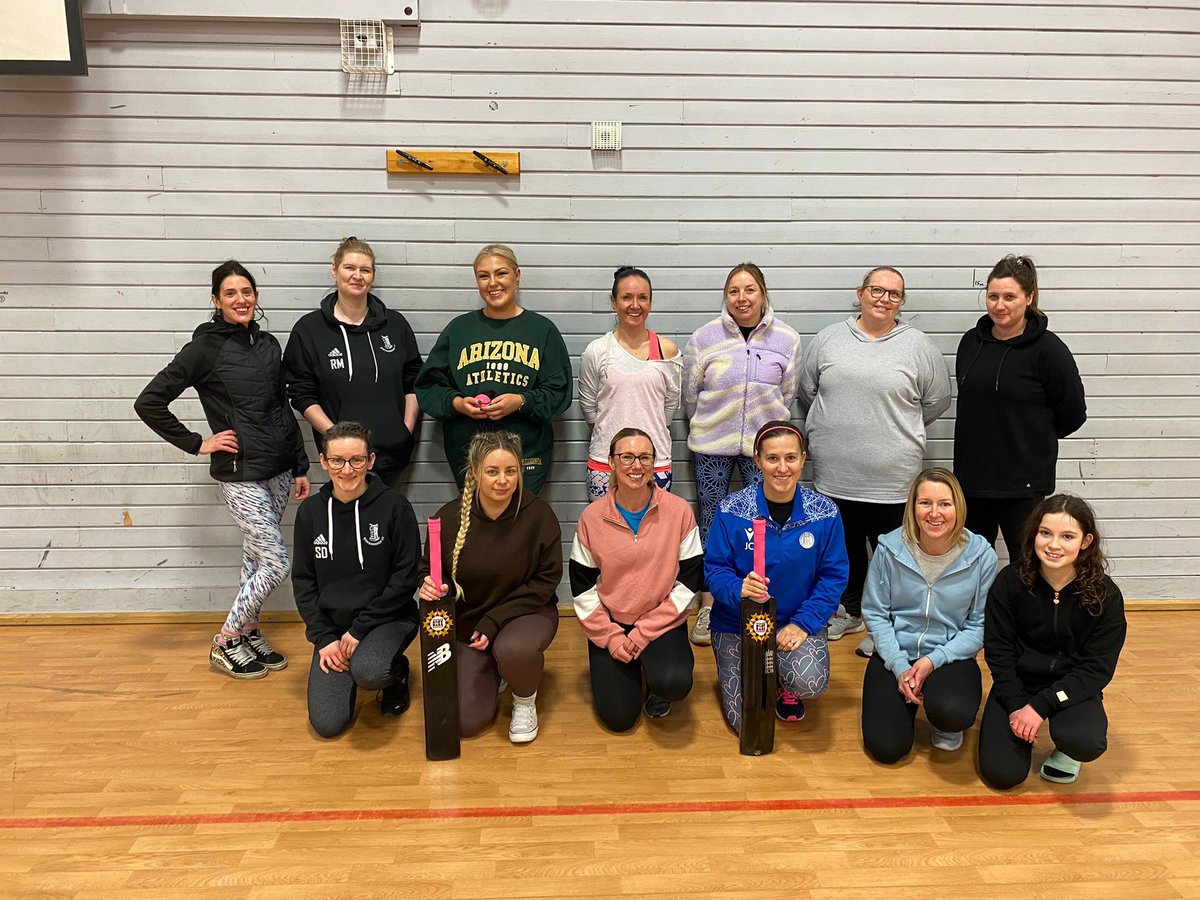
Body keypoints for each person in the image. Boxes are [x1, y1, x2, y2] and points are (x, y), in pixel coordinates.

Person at [134, 260, 310, 679]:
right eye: (230, 293)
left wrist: (300, 463)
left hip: (280, 469)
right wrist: (198, 443)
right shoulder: (204, 350)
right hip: (241, 473)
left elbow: (281, 410)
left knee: (255, 557)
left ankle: (249, 631)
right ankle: (227, 638)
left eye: (246, 291)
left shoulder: (268, 345)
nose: (241, 299)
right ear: (216, 301)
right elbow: (149, 402)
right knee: (275, 563)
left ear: (256, 297)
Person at [798, 266, 951, 652]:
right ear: (861, 293)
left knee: (894, 555)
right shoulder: (830, 339)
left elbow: (936, 400)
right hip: (835, 473)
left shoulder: (917, 345)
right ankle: (849, 612)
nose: (884, 299)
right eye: (876, 290)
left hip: (893, 477)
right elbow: (807, 391)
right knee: (843, 549)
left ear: (901, 302)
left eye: (894, 294)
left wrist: (894, 428)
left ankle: (890, 626)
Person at [682, 263, 802, 646]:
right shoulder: (704, 338)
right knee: (712, 523)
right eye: (734, 291)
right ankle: (709, 603)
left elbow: (788, 394)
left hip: (763, 452)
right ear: (725, 296)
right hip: (712, 445)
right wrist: (711, 423)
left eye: (749, 290)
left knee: (761, 527)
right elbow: (689, 395)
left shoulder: (787, 339)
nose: (742, 298)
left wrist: (764, 436)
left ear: (763, 292)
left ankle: (760, 602)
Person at [417, 431, 562, 743]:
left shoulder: (539, 516)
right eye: (492, 471)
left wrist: (495, 621)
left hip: (526, 613)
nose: (502, 481)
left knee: (513, 649)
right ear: (474, 473)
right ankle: (497, 671)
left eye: (510, 471)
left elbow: (546, 581)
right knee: (466, 723)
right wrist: (427, 585)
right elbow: (428, 569)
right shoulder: (449, 517)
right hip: (472, 628)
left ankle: (524, 697)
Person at [704, 421, 848, 730]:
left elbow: (833, 577)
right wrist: (737, 587)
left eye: (790, 458)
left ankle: (785, 682)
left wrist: (803, 624)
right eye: (772, 458)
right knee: (747, 723)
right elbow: (714, 569)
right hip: (737, 624)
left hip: (792, 624)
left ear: (803, 459)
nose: (782, 468)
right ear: (757, 460)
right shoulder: (731, 510)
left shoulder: (824, 513)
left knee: (809, 681)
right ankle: (755, 674)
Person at [979, 494, 1126, 789]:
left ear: (1086, 541)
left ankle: (1066, 747)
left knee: (1086, 741)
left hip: (1070, 686)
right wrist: (1017, 705)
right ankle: (1017, 731)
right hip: (1018, 683)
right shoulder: (1010, 582)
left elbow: (1096, 669)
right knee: (1002, 775)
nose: (1054, 545)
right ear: (1034, 534)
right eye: (1045, 533)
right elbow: (998, 651)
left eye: (1067, 536)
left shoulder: (1106, 596)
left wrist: (1040, 707)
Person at [291, 421, 421, 738]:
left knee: (370, 671)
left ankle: (396, 672)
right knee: (327, 724)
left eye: (356, 460)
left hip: (386, 619)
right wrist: (324, 638)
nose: (347, 470)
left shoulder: (395, 507)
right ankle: (352, 663)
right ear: (324, 461)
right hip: (335, 629)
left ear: (370, 461)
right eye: (337, 460)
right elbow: (303, 582)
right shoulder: (309, 513)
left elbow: (406, 577)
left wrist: (360, 628)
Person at [860, 468, 997, 763]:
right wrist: (898, 666)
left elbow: (979, 625)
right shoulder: (889, 549)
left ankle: (944, 718)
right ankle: (905, 706)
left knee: (952, 711)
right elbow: (875, 612)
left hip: (949, 655)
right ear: (913, 507)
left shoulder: (982, 555)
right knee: (887, 749)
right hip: (895, 653)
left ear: (958, 507)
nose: (935, 513)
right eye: (925, 503)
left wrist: (931, 661)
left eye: (945, 504)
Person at [954, 255, 1087, 558]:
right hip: (973, 482)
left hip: (1023, 486)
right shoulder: (971, 343)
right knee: (972, 564)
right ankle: (982, 609)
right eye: (993, 296)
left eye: (1009, 297)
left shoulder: (1049, 350)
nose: (999, 305)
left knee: (1026, 564)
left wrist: (1030, 442)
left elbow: (1073, 414)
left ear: (1029, 298)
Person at [570, 428, 702, 731]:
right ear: (611, 462)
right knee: (619, 718)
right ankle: (630, 665)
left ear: (654, 463)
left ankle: (655, 679)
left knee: (674, 683)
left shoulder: (679, 512)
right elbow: (582, 587)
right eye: (627, 457)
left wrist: (644, 632)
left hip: (661, 621)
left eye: (644, 457)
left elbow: (690, 580)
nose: (636, 465)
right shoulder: (591, 518)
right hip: (612, 621)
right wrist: (611, 636)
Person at [414, 244, 573, 493]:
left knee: (520, 523)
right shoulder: (459, 330)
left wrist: (521, 401)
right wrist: (457, 403)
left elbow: (559, 392)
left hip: (526, 451)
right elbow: (429, 386)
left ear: (517, 276)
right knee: (476, 524)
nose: (492, 283)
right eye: (483, 276)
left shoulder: (542, 330)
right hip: (469, 451)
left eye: (501, 273)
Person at [283, 237, 423, 490]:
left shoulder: (396, 325)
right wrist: (337, 441)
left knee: (387, 524)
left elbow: (413, 382)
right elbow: (301, 393)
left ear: (372, 276)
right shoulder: (309, 329)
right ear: (334, 270)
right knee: (347, 524)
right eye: (349, 268)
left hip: (393, 454)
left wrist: (405, 430)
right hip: (343, 462)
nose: (357, 276)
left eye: (365, 270)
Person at [578, 266, 682, 502]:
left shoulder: (667, 350)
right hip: (606, 463)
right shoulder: (597, 351)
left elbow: (669, 408)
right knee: (606, 532)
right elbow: (589, 409)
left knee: (653, 535)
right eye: (626, 297)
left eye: (642, 298)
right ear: (613, 302)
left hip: (655, 463)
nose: (635, 305)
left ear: (650, 303)